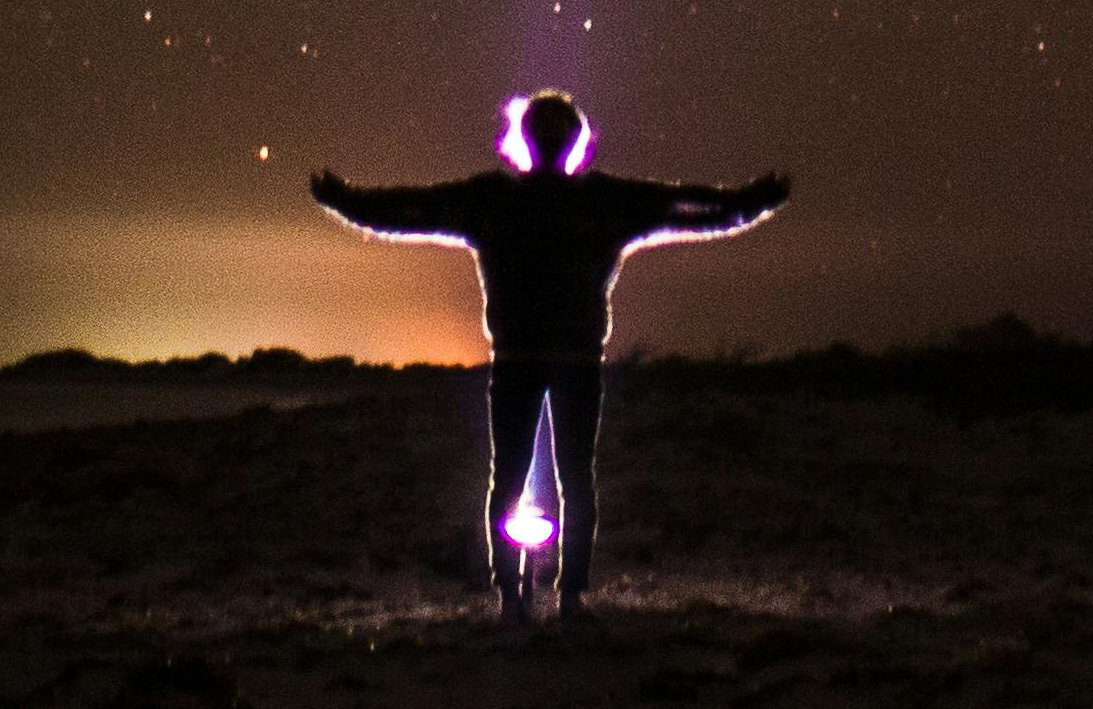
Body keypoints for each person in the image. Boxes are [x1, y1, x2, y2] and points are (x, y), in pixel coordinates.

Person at [309, 92, 786, 616]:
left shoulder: (495, 200)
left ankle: (518, 593)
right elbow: (693, 210)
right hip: (572, 360)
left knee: (513, 475)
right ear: (575, 141)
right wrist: (750, 204)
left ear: (525, 139)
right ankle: (566, 593)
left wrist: (346, 204)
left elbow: (406, 211)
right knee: (572, 475)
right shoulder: (599, 202)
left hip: (522, 359)